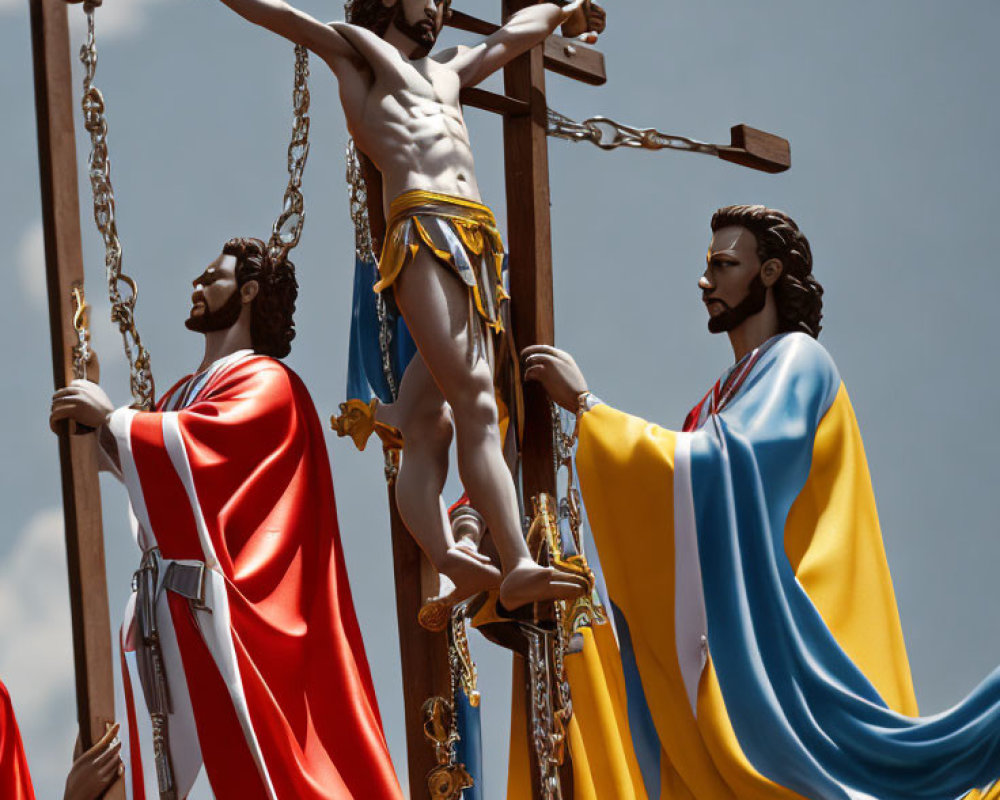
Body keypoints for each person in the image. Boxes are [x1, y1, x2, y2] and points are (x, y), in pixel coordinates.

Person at [523, 205, 1000, 799]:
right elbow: (687, 517)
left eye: (724, 265)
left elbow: (728, 465)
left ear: (769, 272)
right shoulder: (713, 402)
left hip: (802, 660)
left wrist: (589, 407)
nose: (706, 282)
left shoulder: (799, 361)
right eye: (708, 267)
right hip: (744, 657)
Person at [211, 0, 604, 611]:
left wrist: (562, 9)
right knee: (477, 402)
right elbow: (278, 14)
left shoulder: (449, 69)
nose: (438, 12)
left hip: (477, 238)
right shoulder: (360, 56)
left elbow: (509, 38)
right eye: (429, 0)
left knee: (427, 421)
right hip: (421, 230)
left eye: (447, 4)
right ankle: (517, 562)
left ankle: (450, 560)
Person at [50, 239, 402, 800]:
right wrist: (91, 422)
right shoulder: (185, 393)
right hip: (180, 609)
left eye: (211, 277)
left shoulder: (268, 382)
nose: (195, 285)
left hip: (243, 609)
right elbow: (145, 459)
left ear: (248, 291)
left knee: (266, 765)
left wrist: (113, 419)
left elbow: (199, 448)